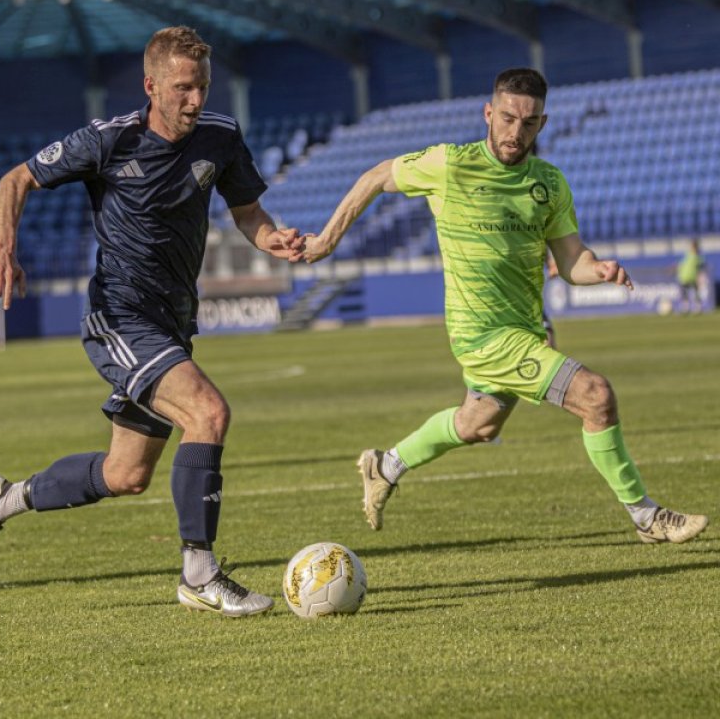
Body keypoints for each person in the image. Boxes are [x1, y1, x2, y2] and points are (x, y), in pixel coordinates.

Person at [0, 26, 305, 617]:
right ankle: (199, 575)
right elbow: (16, 180)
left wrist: (272, 238)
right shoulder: (109, 140)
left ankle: (4, 500)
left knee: (125, 474)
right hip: (119, 317)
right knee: (208, 413)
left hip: (173, 322)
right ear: (151, 86)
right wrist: (3, 249)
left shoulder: (220, 136)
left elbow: (248, 212)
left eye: (203, 86)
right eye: (183, 88)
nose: (196, 99)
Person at [303, 67, 708, 545]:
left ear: (543, 123)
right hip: (482, 336)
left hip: (524, 329)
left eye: (529, 122)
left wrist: (596, 268)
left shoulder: (549, 184)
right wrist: (326, 240)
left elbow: (571, 260)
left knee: (476, 424)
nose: (517, 132)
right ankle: (646, 517)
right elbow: (377, 176)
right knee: (596, 395)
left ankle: (384, 466)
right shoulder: (450, 164)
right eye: (508, 118)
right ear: (488, 114)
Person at [676, 238, 707, 314]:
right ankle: (685, 308)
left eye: (693, 246)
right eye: (692, 246)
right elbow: (682, 265)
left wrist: (700, 277)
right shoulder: (687, 255)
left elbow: (702, 267)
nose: (692, 248)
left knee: (696, 293)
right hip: (684, 277)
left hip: (693, 277)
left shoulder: (698, 257)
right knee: (684, 293)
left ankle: (698, 308)